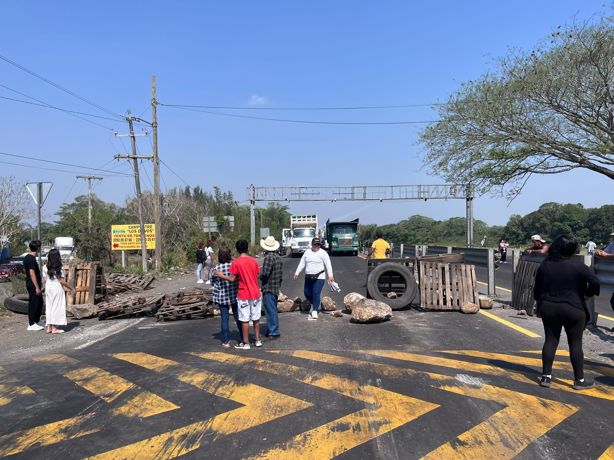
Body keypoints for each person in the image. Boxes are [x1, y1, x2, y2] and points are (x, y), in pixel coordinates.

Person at [533, 235, 600, 390]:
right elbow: (595, 282)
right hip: (573, 308)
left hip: (549, 307)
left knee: (550, 340)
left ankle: (546, 377)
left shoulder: (545, 265)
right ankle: (579, 381)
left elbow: (537, 289)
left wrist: (539, 304)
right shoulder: (579, 266)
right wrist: (588, 294)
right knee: (575, 344)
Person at [215, 240, 261, 349]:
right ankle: (258, 339)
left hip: (244, 293)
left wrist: (221, 275)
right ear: (247, 248)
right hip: (255, 292)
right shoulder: (254, 261)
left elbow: (231, 278)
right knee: (256, 318)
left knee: (244, 319)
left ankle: (245, 343)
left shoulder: (236, 262)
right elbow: (257, 275)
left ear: (237, 249)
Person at [293, 238, 334, 320]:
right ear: (311, 245)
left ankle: (314, 310)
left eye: (318, 244)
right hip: (308, 276)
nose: (316, 246)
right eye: (315, 244)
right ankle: (313, 303)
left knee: (316, 292)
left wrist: (330, 275)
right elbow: (302, 263)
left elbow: (328, 264)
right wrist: (297, 272)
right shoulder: (307, 252)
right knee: (306, 292)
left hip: (319, 276)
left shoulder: (323, 253)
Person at [210, 246, 240, 347]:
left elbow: (212, 282)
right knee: (238, 317)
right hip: (234, 295)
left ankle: (226, 341)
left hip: (222, 296)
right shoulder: (233, 266)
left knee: (224, 319)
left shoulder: (216, 269)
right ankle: (242, 338)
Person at [43, 249, 75, 334]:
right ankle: (54, 328)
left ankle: (49, 327)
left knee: (49, 307)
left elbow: (45, 280)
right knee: (56, 307)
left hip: (48, 288)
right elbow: (62, 281)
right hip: (56, 288)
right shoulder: (59, 268)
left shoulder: (45, 267)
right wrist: (72, 288)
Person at [260, 236, 283, 339]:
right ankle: (272, 329)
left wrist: (259, 277)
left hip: (269, 287)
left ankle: (273, 331)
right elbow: (280, 275)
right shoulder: (278, 257)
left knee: (270, 310)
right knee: (272, 309)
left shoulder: (269, 257)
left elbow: (265, 273)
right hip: (275, 287)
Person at [24, 240, 44, 331]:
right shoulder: (31, 259)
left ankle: (37, 320)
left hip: (33, 283)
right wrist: (37, 287)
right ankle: (31, 324)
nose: (41, 248)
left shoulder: (28, 257)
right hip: (32, 284)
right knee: (33, 303)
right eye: (40, 246)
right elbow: (32, 274)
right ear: (37, 248)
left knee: (39, 302)